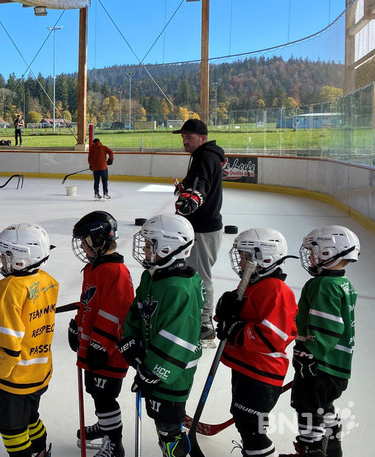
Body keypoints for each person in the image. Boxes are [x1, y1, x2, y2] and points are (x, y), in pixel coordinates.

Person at [0, 223, 59, 457]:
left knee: (11, 426)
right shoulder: (48, 280)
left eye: (6, 255)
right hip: (41, 371)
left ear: (21, 259)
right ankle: (40, 453)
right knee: (31, 417)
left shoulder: (8, 289)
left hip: (16, 378)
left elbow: (8, 346)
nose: (1, 259)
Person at [117, 213, 203, 457]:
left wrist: (152, 370)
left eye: (148, 246)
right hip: (152, 365)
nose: (143, 250)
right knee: (159, 419)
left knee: (168, 427)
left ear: (168, 248)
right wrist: (130, 340)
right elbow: (138, 310)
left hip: (173, 375)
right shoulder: (152, 276)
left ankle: (175, 450)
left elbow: (179, 338)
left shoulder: (180, 288)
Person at [214, 228, 298, 457]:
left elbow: (273, 338)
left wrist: (236, 329)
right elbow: (237, 318)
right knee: (245, 422)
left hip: (262, 374)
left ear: (265, 258)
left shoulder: (276, 290)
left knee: (252, 428)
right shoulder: (254, 283)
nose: (240, 261)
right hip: (247, 368)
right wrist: (225, 313)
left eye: (245, 256)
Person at [281, 226, 359, 457]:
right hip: (336, 368)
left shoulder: (323, 285)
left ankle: (311, 449)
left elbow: (329, 327)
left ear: (329, 253)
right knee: (322, 406)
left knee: (307, 407)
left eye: (315, 252)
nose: (311, 257)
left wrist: (308, 354)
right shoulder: (343, 284)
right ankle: (332, 441)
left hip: (320, 365)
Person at [68, 211, 134, 457]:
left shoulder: (115, 272)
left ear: (97, 240)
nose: (82, 247)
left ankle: (114, 443)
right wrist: (78, 324)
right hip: (95, 348)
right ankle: (105, 425)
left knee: (106, 397)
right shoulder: (94, 268)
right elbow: (89, 302)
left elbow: (118, 313)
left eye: (85, 241)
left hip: (110, 353)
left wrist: (101, 345)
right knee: (95, 391)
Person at [171, 118, 226, 344]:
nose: (185, 141)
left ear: (202, 138)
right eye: (183, 137)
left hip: (204, 228)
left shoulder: (205, 156)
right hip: (200, 226)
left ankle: (204, 325)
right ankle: (195, 316)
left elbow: (202, 182)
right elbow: (197, 181)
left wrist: (193, 197)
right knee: (193, 272)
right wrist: (184, 189)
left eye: (189, 137)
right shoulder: (204, 155)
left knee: (201, 275)